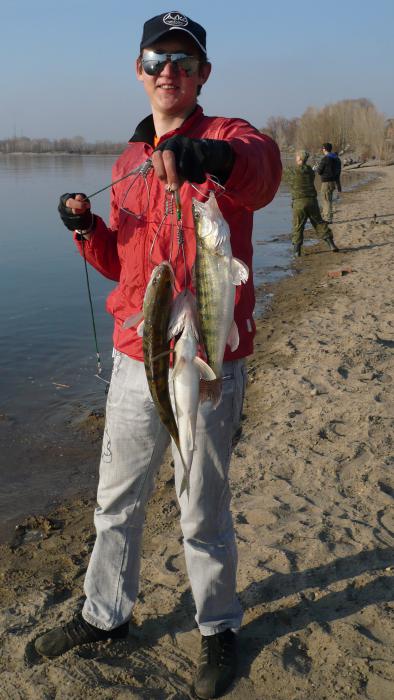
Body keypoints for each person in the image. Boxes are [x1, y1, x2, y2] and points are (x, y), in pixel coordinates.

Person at [33, 10, 282, 699]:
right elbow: (124, 264)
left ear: (202, 74)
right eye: (156, 59)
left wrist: (217, 160)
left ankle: (217, 626)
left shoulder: (230, 137)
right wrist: (87, 229)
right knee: (115, 499)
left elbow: (264, 173)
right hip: (135, 358)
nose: (168, 71)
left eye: (182, 60)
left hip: (205, 362)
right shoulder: (127, 160)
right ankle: (105, 615)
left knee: (202, 503)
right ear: (138, 71)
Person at [289, 150, 339, 256]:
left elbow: (284, 175)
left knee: (298, 226)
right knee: (319, 223)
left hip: (299, 202)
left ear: (299, 158)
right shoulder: (311, 172)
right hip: (312, 201)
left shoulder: (293, 171)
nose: (295, 157)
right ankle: (331, 245)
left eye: (297, 156)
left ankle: (296, 251)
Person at [316, 142, 342, 222]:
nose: (322, 150)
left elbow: (319, 171)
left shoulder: (325, 159)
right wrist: (338, 185)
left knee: (326, 200)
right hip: (333, 182)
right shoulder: (337, 159)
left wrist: (316, 167)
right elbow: (338, 172)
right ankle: (327, 217)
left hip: (326, 183)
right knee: (329, 199)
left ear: (324, 149)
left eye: (323, 148)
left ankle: (327, 218)